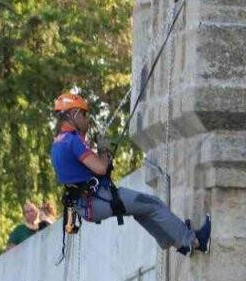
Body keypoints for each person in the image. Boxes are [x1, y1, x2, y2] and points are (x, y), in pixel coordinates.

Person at [49, 93, 211, 256]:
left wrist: (90, 141)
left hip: (87, 205)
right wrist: (104, 149)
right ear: (74, 113)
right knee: (154, 204)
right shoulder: (72, 141)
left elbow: (80, 169)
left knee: (141, 210)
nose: (86, 119)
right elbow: (100, 168)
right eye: (83, 115)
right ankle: (194, 242)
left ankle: (178, 243)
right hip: (98, 200)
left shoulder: (58, 142)